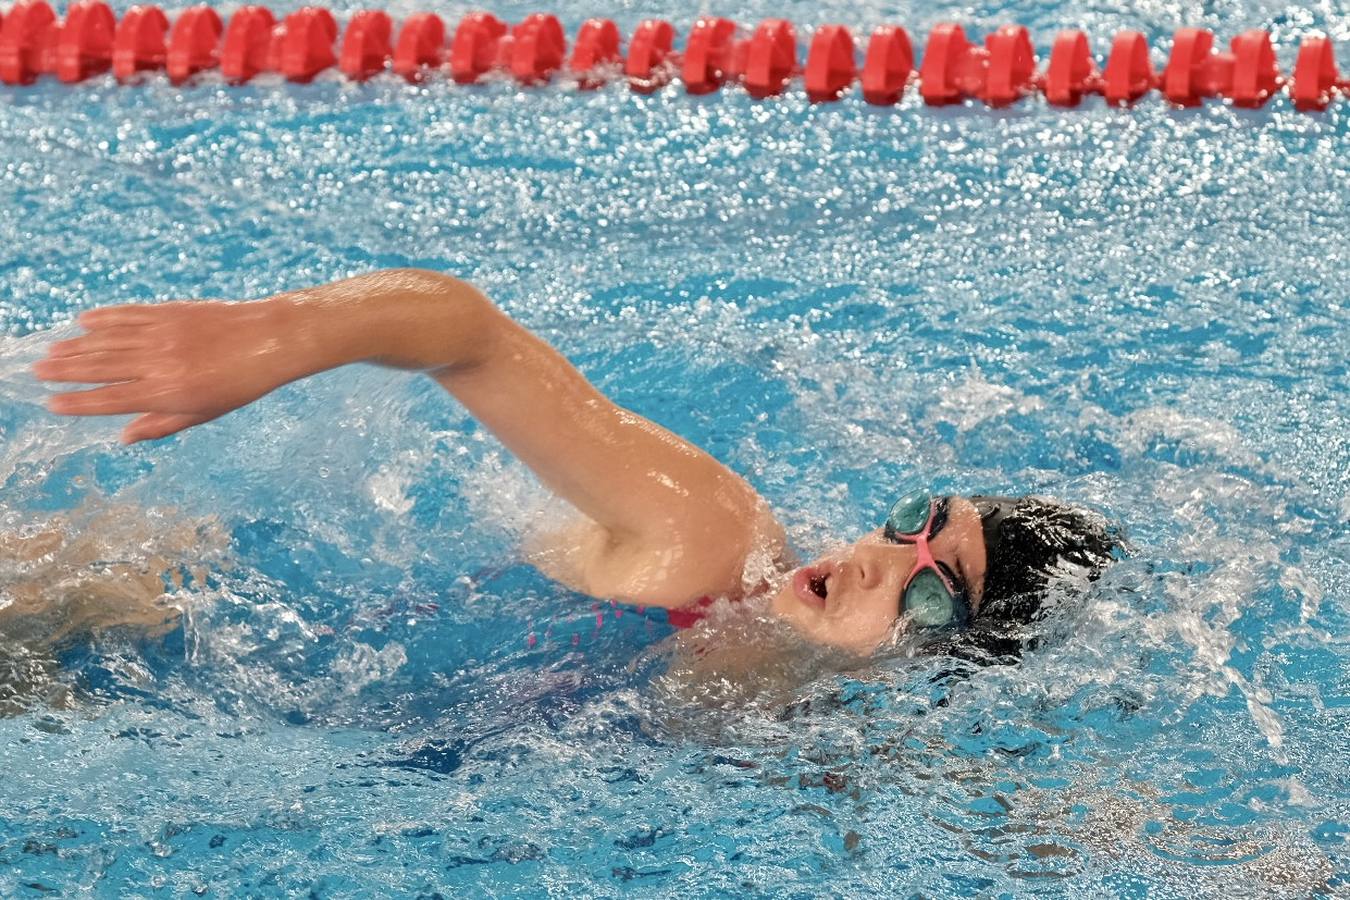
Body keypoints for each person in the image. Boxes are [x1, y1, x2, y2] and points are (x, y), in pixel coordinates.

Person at [31, 269, 1119, 658]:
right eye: (910, 521)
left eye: (934, 596)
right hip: (170, 608)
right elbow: (466, 329)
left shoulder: (819, 745)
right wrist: (267, 341)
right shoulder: (712, 543)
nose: (882, 561)